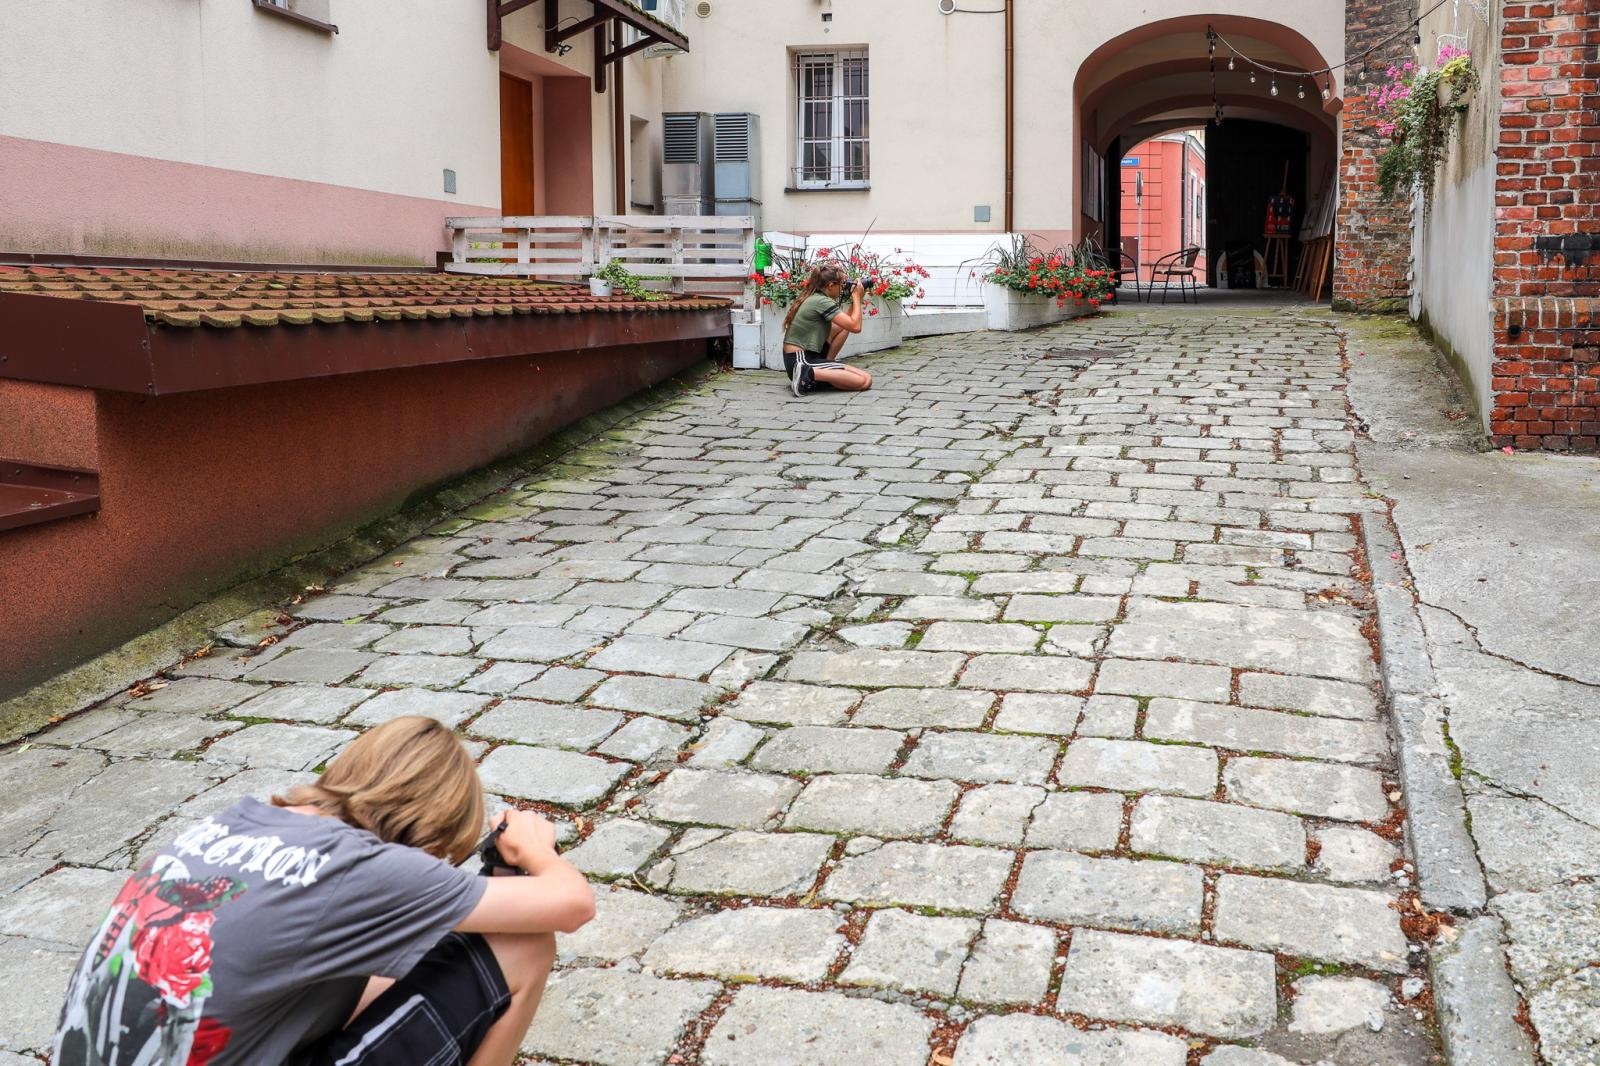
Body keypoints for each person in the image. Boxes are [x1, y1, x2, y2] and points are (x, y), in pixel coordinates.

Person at [52, 716, 594, 1066]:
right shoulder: (364, 864)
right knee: (521, 946)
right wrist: (534, 850)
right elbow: (571, 906)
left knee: (404, 959)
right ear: (430, 834)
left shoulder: (233, 823)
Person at [781, 261, 874, 397]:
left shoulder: (817, 297)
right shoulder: (821, 301)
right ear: (831, 285)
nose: (843, 288)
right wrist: (855, 297)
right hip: (801, 361)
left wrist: (857, 297)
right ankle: (807, 373)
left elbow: (848, 323)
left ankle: (823, 368)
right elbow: (856, 327)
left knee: (843, 328)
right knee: (864, 381)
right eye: (841, 284)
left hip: (805, 358)